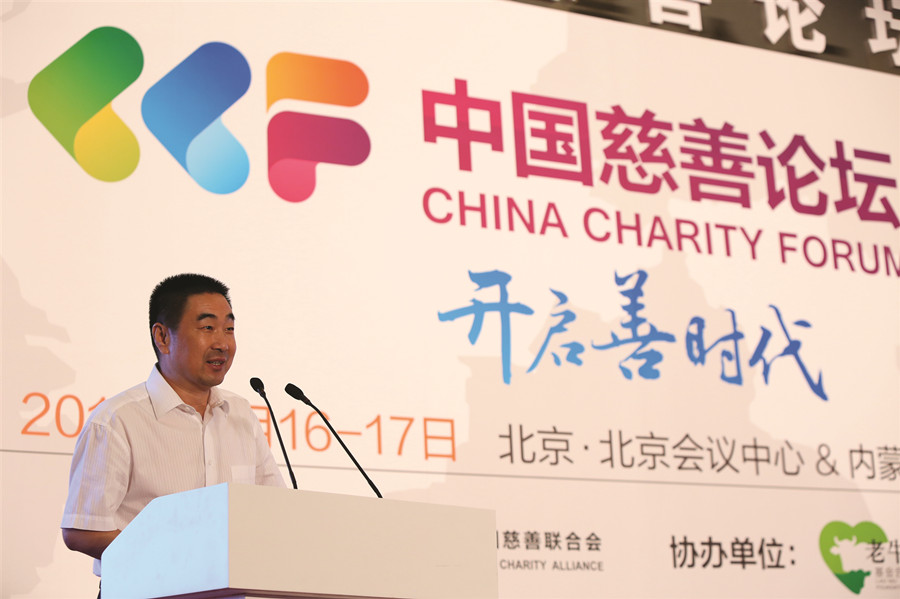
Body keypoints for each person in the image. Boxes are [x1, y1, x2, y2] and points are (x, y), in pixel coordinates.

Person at [61, 273, 286, 580]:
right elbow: (82, 531)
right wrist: (180, 558)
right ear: (163, 337)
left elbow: (275, 511)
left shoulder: (241, 414)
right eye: (208, 328)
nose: (222, 343)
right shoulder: (117, 420)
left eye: (229, 329)